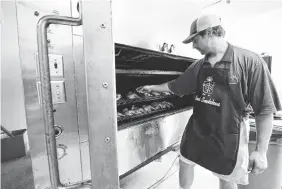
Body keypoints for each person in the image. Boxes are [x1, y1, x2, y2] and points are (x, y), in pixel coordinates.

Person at [137, 14, 281, 189]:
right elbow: (176, 85)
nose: (193, 45)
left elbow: (264, 109)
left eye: (195, 40)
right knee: (185, 160)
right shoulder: (198, 66)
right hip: (198, 129)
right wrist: (152, 87)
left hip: (228, 133)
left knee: (226, 175)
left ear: (210, 32)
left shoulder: (250, 62)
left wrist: (261, 151)